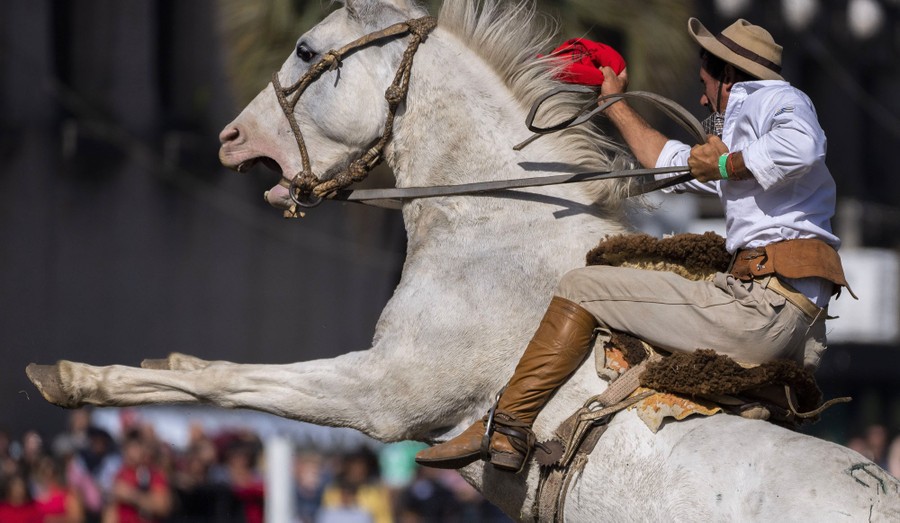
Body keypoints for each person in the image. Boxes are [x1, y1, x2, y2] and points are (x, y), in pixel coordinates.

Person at [416, 18, 852, 473]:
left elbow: (803, 148)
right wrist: (613, 102)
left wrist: (724, 162)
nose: (702, 98)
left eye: (706, 84)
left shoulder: (775, 98)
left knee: (581, 287)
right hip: (788, 313)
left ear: (728, 77)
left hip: (762, 306)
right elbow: (666, 163)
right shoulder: (749, 152)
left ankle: (507, 426)